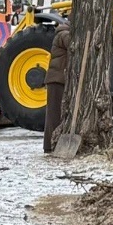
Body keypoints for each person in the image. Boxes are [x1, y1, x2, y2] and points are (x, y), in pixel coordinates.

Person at [42, 13, 71, 155]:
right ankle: (49, 146)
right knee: (54, 114)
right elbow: (72, 43)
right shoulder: (63, 34)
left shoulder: (64, 32)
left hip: (60, 79)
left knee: (58, 113)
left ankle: (52, 144)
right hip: (56, 80)